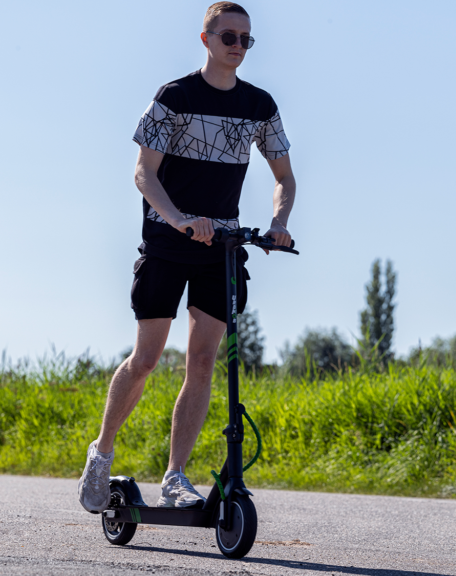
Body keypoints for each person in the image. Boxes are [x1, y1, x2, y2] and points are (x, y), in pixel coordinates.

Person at [78, 1, 296, 512]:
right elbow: (143, 173)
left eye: (246, 39)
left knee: (201, 362)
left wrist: (279, 223)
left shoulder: (259, 105)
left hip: (220, 246)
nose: (238, 46)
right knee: (147, 359)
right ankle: (102, 452)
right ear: (206, 40)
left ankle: (175, 477)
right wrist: (178, 219)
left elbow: (284, 177)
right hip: (168, 241)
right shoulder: (174, 97)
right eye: (228, 37)